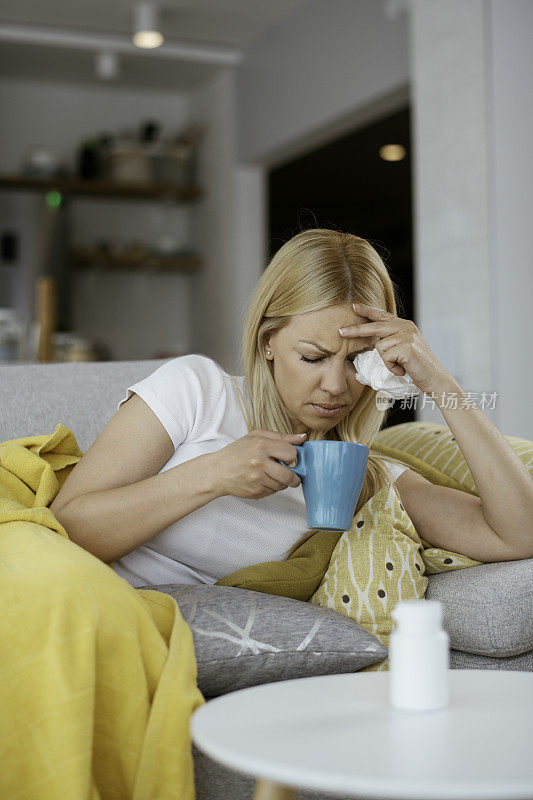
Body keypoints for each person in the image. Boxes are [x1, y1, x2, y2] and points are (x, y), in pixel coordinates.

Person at [50, 229, 533, 589]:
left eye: (356, 364)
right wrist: (212, 474)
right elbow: (66, 527)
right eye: (313, 357)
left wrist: (439, 380)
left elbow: (517, 535)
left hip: (237, 652)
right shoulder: (197, 391)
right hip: (108, 613)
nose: (336, 386)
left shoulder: (367, 479)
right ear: (267, 343)